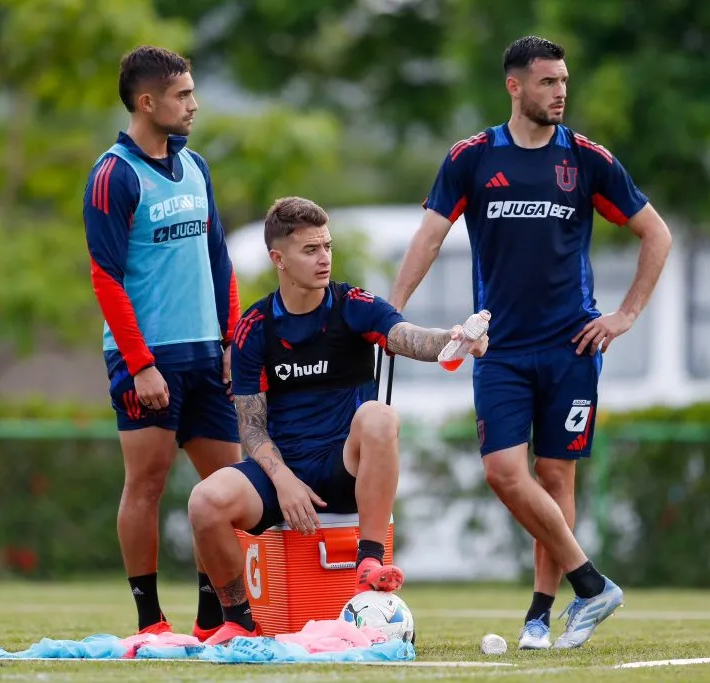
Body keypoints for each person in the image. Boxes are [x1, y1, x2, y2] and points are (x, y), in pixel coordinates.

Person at [388, 36, 673, 650]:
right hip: (500, 351)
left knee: (556, 478)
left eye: (564, 81)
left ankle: (542, 616)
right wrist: (391, 314)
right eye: (547, 82)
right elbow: (429, 237)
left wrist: (625, 314)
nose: (561, 92)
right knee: (504, 473)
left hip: (572, 348)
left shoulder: (588, 160)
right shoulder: (471, 158)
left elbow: (657, 234)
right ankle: (593, 585)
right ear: (514, 86)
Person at [186, 196, 489, 646]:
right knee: (204, 502)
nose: (324, 257)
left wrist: (453, 339)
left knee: (379, 416)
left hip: (342, 467)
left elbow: (406, 337)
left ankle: (369, 562)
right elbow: (250, 425)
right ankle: (237, 620)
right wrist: (283, 479)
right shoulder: (255, 326)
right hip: (283, 471)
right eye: (310, 250)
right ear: (279, 259)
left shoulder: (353, 304)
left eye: (326, 246)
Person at [83, 46, 243, 638]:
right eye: (183, 96)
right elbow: (105, 277)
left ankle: (211, 617)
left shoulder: (196, 166)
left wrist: (231, 341)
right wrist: (140, 363)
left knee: (225, 489)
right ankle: (149, 618)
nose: (194, 105)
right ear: (147, 103)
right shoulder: (114, 175)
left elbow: (218, 259)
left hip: (207, 353)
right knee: (145, 485)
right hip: (147, 361)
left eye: (193, 93)